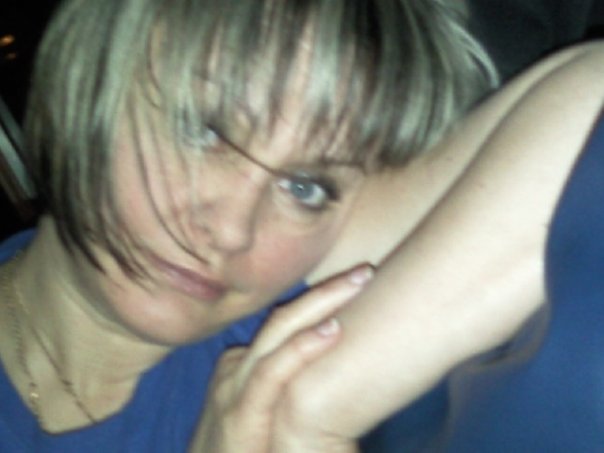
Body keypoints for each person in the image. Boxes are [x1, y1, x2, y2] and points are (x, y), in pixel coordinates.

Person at [0, 0, 496, 451]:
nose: (233, 231)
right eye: (202, 130)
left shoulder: (288, 320)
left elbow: (547, 123)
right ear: (86, 79)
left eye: (304, 187)